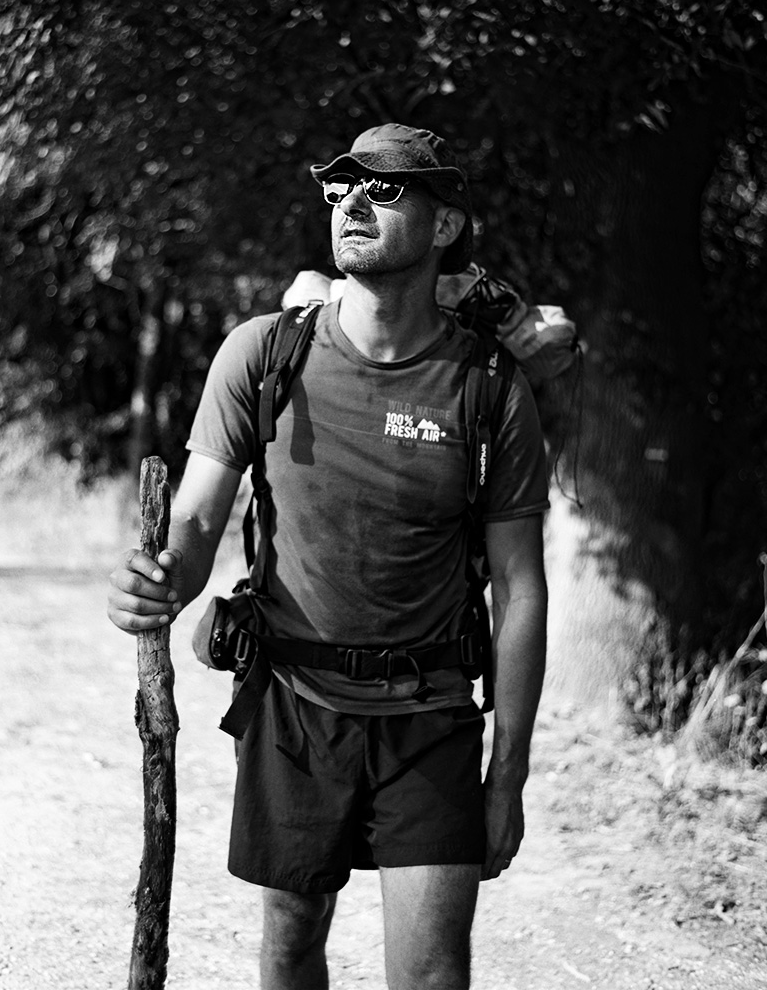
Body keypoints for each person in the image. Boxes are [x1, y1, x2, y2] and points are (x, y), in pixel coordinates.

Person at [108, 123, 549, 990]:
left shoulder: (490, 387)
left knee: (429, 975)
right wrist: (158, 584)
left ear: (446, 225)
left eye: (384, 190)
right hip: (292, 704)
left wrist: (508, 777)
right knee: (291, 944)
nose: (353, 201)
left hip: (430, 714)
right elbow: (195, 523)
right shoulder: (265, 354)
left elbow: (522, 592)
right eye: (340, 187)